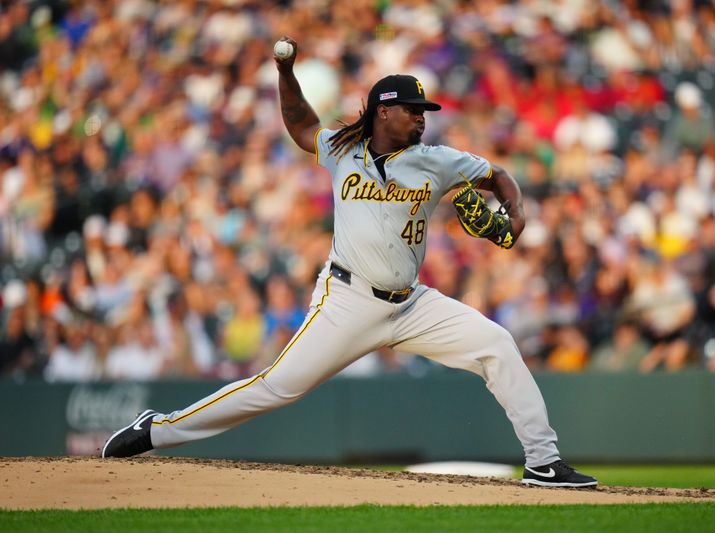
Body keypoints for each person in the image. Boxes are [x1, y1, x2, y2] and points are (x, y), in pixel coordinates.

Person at [101, 37, 597, 488]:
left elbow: (499, 175)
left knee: (496, 344)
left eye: (424, 111)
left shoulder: (438, 160)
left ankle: (542, 460)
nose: (422, 118)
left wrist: (514, 215)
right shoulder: (343, 150)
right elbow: (299, 123)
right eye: (412, 109)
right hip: (348, 299)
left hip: (412, 303)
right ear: (384, 112)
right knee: (277, 387)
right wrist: (285, 70)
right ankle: (158, 430)